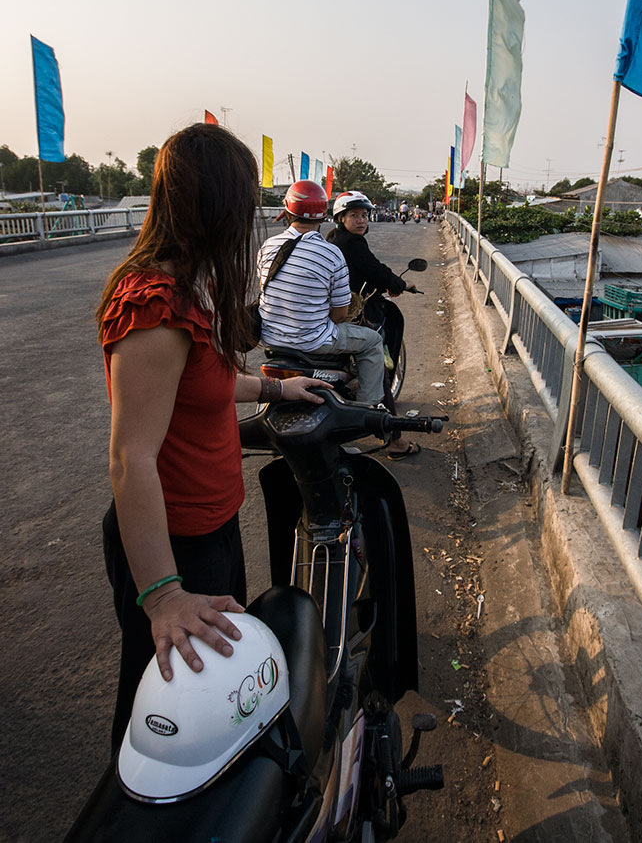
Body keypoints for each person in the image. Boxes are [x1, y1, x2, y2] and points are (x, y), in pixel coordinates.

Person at [96, 123, 329, 751]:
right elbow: (130, 457)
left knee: (217, 711)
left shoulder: (187, 293)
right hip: (172, 548)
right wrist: (164, 596)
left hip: (210, 530)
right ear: (217, 206)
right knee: (165, 718)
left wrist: (279, 389)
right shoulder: (153, 308)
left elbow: (208, 382)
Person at [257, 180, 385, 404]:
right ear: (325, 215)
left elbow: (266, 292)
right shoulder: (331, 254)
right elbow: (340, 314)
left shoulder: (267, 246)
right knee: (373, 341)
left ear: (287, 211)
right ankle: (369, 409)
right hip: (313, 341)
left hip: (270, 338)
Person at [327, 190, 421, 460]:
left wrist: (390, 283)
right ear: (340, 218)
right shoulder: (352, 244)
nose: (361, 220)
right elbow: (375, 269)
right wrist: (401, 284)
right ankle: (393, 440)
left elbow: (366, 271)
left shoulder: (334, 239)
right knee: (378, 363)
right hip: (352, 314)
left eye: (364, 215)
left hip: (329, 314)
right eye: (354, 215)